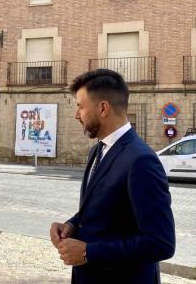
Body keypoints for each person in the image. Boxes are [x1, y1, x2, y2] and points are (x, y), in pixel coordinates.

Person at [50, 69, 175, 284]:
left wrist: (89, 252)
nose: (76, 115)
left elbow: (160, 243)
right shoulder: (97, 150)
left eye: (80, 106)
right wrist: (72, 224)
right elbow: (103, 210)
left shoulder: (141, 160)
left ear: (103, 108)